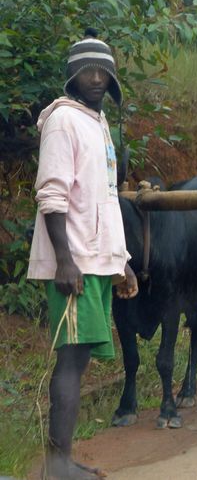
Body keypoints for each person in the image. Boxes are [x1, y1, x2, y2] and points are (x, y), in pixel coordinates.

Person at [27, 28, 138, 480]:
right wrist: (65, 260)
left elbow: (104, 197)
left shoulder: (98, 123)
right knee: (70, 359)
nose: (96, 78)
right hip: (73, 260)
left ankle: (64, 460)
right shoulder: (63, 120)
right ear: (72, 77)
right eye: (88, 71)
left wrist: (121, 260)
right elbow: (51, 195)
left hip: (97, 259)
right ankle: (57, 467)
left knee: (81, 357)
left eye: (104, 72)